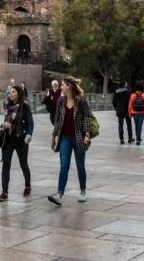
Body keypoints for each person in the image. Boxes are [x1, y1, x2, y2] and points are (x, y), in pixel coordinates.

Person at [48, 76, 93, 205]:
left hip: (78, 137)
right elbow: (57, 120)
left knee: (80, 166)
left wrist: (87, 134)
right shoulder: (61, 101)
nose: (61, 87)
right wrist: (54, 137)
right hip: (65, 138)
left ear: (69, 86)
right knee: (64, 166)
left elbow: (88, 117)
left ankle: (83, 191)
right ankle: (59, 194)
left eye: (63, 85)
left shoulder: (81, 100)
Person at [0, 85, 33, 201]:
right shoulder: (7, 106)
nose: (10, 94)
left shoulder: (25, 106)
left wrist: (29, 134)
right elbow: (6, 121)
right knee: (5, 165)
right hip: (7, 139)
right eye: (9, 92)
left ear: (18, 93)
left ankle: (27, 185)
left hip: (20, 139)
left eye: (13, 92)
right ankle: (4, 192)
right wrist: (4, 125)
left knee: (23, 164)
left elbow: (30, 123)